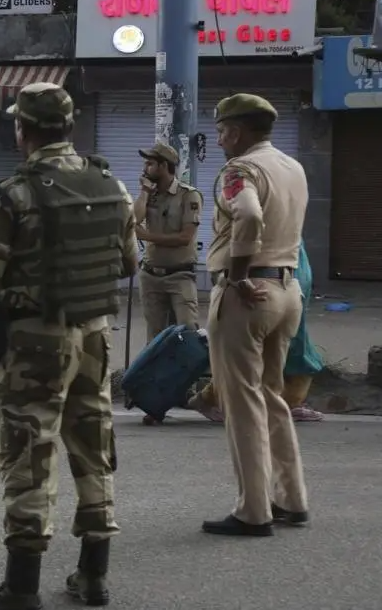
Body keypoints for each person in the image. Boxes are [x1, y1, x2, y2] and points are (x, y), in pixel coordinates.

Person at [0, 82, 136, 610]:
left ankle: (21, 590)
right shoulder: (113, 185)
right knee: (94, 448)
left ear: (23, 129)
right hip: (95, 335)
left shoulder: (14, 193)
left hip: (34, 345)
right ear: (68, 127)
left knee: (28, 453)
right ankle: (94, 577)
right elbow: (130, 263)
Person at [201, 93, 309, 537]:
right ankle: (291, 499)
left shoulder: (240, 169)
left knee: (242, 402)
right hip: (287, 290)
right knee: (271, 396)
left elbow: (246, 212)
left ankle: (253, 511)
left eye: (223, 129)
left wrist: (239, 273)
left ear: (237, 131)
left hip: (248, 294)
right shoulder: (292, 166)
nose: (219, 137)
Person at [190, 241, 325, 423]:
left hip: (286, 285)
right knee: (248, 357)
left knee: (284, 354)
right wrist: (238, 280)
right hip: (266, 287)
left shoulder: (290, 225)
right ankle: (214, 399)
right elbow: (245, 224)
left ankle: (285, 403)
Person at [130, 142, 213, 423]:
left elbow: (184, 237)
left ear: (164, 166)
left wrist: (146, 236)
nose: (145, 168)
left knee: (189, 335)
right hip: (151, 275)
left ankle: (190, 390)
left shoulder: (189, 196)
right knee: (155, 339)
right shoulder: (149, 195)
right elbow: (134, 220)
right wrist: (143, 192)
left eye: (150, 164)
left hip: (180, 275)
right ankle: (156, 400)